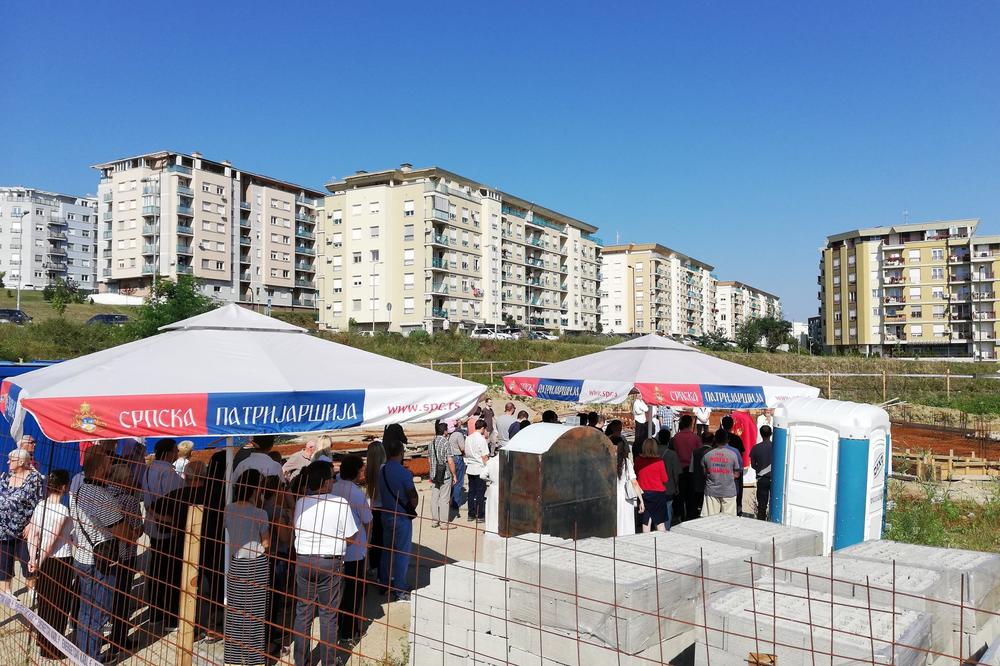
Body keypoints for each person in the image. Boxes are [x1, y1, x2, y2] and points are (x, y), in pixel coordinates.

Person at [72, 449, 141, 660]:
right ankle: (91, 658)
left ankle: (83, 656)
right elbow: (127, 534)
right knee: (97, 615)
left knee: (86, 612)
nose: (111, 467)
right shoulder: (101, 496)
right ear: (101, 468)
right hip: (99, 563)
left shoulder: (81, 489)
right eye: (109, 463)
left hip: (83, 557)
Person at [294, 461, 358, 666]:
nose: (333, 480)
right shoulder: (340, 503)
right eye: (331, 477)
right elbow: (351, 536)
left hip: (304, 560)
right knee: (329, 615)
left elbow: (297, 529)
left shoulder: (301, 502)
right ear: (324, 481)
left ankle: (301, 660)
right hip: (330, 562)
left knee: (303, 612)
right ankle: (329, 662)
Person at [25, 469, 74, 660]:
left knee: (45, 600)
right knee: (58, 604)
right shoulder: (62, 510)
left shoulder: (40, 505)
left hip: (42, 561)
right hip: (59, 560)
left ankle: (42, 640)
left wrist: (33, 558)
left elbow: (34, 535)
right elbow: (52, 539)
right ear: (64, 487)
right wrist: (38, 560)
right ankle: (52, 649)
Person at [224, 469, 271, 666]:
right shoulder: (260, 513)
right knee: (255, 614)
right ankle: (254, 659)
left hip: (236, 563)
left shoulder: (228, 509)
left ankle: (234, 657)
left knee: (236, 612)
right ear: (255, 488)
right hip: (257, 564)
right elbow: (266, 543)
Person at [143, 438, 185, 631]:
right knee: (170, 573)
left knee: (156, 570)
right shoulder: (168, 473)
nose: (177, 454)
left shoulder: (148, 470)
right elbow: (176, 500)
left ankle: (155, 613)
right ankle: (169, 618)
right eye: (175, 451)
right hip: (168, 527)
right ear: (169, 453)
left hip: (153, 526)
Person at [330, 455, 372, 644]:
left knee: (337, 592)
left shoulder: (333, 487)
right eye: (361, 470)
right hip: (354, 550)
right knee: (353, 592)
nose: (363, 473)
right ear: (356, 472)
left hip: (334, 549)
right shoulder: (356, 493)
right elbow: (367, 521)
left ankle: (337, 626)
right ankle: (349, 631)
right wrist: (368, 543)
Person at [105, 463, 144, 658]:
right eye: (129, 479)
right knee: (122, 598)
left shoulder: (100, 494)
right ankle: (119, 639)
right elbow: (138, 529)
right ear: (122, 481)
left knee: (107, 597)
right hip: (125, 555)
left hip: (104, 554)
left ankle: (105, 631)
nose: (132, 482)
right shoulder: (129, 500)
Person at [377, 436, 417, 601]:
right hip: (401, 517)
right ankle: (400, 588)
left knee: (387, 550)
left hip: (386, 514)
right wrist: (411, 507)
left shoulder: (382, 470)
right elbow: (413, 496)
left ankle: (384, 582)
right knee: (402, 553)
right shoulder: (404, 473)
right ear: (401, 453)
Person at [0, 448, 43, 594]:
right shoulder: (5, 477)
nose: (8, 462)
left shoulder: (33, 479)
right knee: (4, 562)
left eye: (11, 460)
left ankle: (32, 590)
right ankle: (6, 592)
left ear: (21, 462)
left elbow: (39, 503)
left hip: (23, 529)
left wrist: (32, 523)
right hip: (3, 529)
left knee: (27, 560)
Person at [702, 430, 743, 516]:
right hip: (729, 491)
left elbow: (704, 472)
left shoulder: (707, 454)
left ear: (715, 440)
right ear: (727, 440)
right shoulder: (733, 454)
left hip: (711, 491)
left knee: (710, 520)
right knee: (729, 521)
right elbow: (737, 473)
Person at [671, 414, 701, 524]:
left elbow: (673, 453)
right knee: (691, 495)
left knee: (680, 495)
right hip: (692, 470)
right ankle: (690, 516)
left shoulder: (675, 438)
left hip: (679, 469)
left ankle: (679, 516)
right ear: (690, 424)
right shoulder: (696, 438)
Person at [635, 438, 669, 532]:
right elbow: (665, 479)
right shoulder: (659, 461)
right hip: (658, 494)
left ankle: (646, 543)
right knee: (660, 522)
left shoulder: (638, 460)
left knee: (646, 522)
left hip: (643, 493)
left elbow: (636, 475)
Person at [428, 422, 456, 529]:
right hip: (445, 474)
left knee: (434, 497)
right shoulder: (446, 443)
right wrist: (454, 475)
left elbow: (429, 460)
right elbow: (450, 461)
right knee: (444, 498)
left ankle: (435, 521)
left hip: (434, 474)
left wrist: (431, 472)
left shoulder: (431, 443)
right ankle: (444, 523)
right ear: (445, 431)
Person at [364, 439, 387, 578]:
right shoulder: (384, 469)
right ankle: (382, 570)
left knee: (375, 539)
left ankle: (373, 566)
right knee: (384, 540)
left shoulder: (369, 469)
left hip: (373, 506)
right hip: (384, 507)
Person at [615, 435, 644, 536]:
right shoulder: (626, 462)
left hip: (613, 496)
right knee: (627, 521)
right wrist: (641, 500)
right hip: (626, 496)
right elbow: (634, 482)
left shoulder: (607, 461)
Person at [463, 419, 491, 524]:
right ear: (483, 428)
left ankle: (471, 514)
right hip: (479, 468)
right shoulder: (481, 439)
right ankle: (480, 515)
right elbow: (484, 456)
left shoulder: (468, 438)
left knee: (471, 492)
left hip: (470, 467)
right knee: (480, 493)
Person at [658, 429, 682, 530]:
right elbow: (676, 473)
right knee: (667, 509)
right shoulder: (672, 454)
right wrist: (677, 486)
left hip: (654, 486)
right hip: (668, 486)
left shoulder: (653, 451)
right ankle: (665, 529)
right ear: (669, 440)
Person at [750, 425, 774, 521]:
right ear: (771, 433)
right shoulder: (776, 447)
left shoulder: (756, 448)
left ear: (760, 434)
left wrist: (759, 469)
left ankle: (761, 523)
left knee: (762, 506)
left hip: (761, 479)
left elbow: (752, 464)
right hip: (774, 479)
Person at [689, 432, 714, 519]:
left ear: (701, 440)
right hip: (710, 483)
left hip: (697, 483)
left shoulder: (695, 452)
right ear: (712, 441)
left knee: (696, 506)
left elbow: (691, 469)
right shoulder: (713, 452)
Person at [446, 420, 467, 515]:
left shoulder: (450, 435)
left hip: (451, 457)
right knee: (458, 481)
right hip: (458, 457)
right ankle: (456, 503)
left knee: (453, 481)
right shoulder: (458, 434)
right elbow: (462, 448)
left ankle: (450, 500)